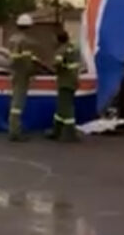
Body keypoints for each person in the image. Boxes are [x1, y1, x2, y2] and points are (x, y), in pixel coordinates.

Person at [7, 13, 40, 142]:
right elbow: (27, 60)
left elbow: (12, 57)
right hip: (22, 72)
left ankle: (13, 129)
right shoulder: (26, 41)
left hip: (14, 71)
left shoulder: (12, 39)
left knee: (15, 99)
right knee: (18, 102)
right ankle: (15, 131)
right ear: (29, 26)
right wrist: (32, 72)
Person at [48, 29, 80, 142]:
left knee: (66, 108)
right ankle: (56, 131)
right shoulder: (73, 48)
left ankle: (71, 133)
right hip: (72, 80)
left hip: (65, 81)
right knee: (62, 107)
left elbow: (57, 63)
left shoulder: (61, 50)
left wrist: (52, 68)